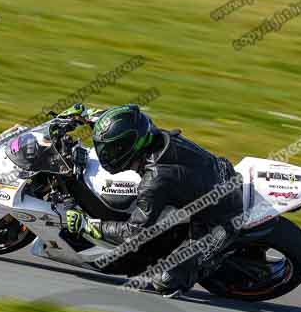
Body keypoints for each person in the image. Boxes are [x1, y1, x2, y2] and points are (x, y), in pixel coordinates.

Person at [64, 104, 243, 297]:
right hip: (220, 175)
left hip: (221, 220)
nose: (106, 153)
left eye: (112, 149)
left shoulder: (155, 181)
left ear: (127, 147)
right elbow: (123, 122)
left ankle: (216, 258)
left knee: (165, 281)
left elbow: (133, 232)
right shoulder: (151, 134)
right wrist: (84, 118)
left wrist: (88, 225)